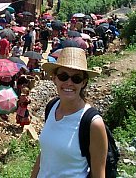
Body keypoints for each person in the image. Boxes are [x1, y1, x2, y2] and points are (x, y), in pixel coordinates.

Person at [31, 47, 106, 178]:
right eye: (63, 76)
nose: (69, 83)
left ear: (83, 83)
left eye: (76, 78)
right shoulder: (52, 106)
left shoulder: (93, 123)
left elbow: (99, 174)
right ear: (54, 78)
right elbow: (46, 154)